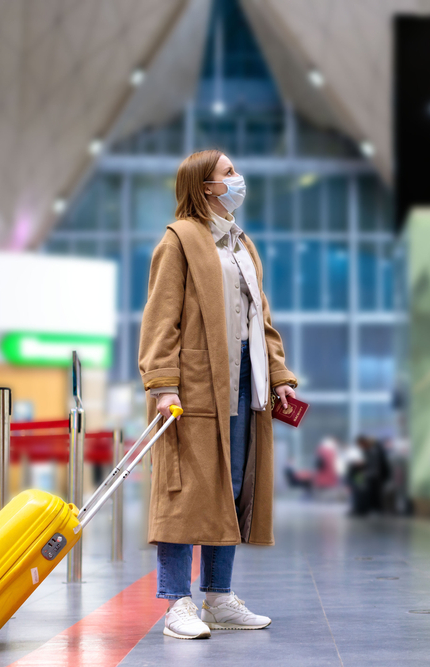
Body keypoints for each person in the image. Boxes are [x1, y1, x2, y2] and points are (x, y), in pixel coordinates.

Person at [139, 149, 298, 639]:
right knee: (185, 494)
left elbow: (262, 322)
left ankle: (219, 596)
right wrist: (163, 385)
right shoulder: (179, 239)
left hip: (242, 385)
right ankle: (176, 605)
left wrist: (279, 376)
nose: (237, 178)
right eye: (228, 173)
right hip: (193, 389)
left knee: (228, 492)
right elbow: (161, 319)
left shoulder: (241, 245)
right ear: (206, 186)